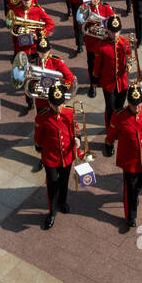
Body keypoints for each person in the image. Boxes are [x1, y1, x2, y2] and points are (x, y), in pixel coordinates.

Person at [106, 84, 142, 229]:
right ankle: (131, 216)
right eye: (133, 104)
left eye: (138, 104)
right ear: (128, 102)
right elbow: (111, 133)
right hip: (128, 159)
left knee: (139, 184)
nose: (136, 108)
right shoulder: (119, 116)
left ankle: (133, 198)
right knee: (130, 188)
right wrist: (108, 143)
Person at [33, 84, 84, 229]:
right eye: (55, 105)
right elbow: (38, 138)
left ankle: (63, 202)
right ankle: (52, 211)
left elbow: (76, 128)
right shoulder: (42, 117)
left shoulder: (69, 112)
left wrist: (77, 138)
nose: (58, 108)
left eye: (60, 104)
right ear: (49, 103)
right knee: (52, 183)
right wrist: (41, 148)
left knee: (64, 181)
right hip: (50, 158)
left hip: (67, 156)